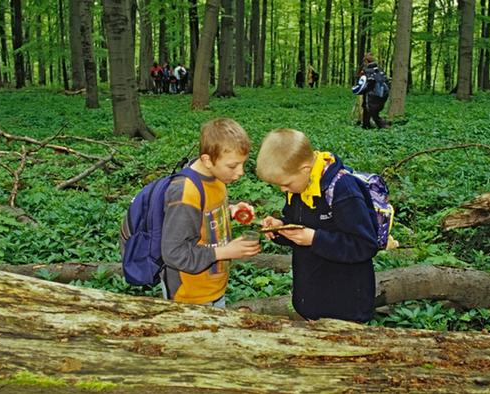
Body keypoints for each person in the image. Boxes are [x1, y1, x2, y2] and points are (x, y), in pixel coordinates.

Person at [121, 118, 260, 308]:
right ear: (207, 160)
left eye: (243, 164)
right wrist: (225, 252)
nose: (241, 172)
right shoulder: (186, 193)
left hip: (212, 286)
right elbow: (174, 253)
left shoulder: (216, 179)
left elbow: (201, 216)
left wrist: (231, 210)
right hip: (189, 296)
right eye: (233, 166)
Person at [255, 129, 379, 323]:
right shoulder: (300, 185)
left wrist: (315, 238)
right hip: (311, 298)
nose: (283, 189)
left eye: (286, 184)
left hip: (345, 306)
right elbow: (299, 226)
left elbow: (364, 245)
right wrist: (280, 228)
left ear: (305, 168)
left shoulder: (342, 190)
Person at [360, 53, 389, 129]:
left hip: (372, 94)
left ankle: (383, 126)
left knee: (371, 111)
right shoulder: (379, 69)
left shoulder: (367, 71)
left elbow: (364, 84)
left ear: (366, 61)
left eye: (364, 61)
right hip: (382, 94)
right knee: (369, 110)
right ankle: (366, 125)